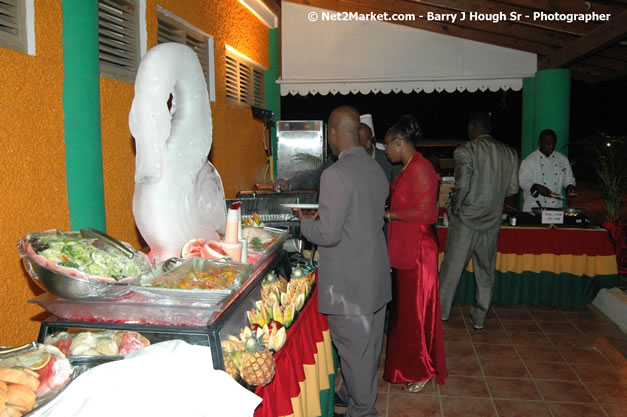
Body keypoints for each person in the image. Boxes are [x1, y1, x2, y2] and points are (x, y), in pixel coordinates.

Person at [294, 105, 390, 417]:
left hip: (350, 288)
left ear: (333, 133)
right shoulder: (376, 167)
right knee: (368, 349)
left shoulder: (335, 174)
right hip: (376, 277)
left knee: (355, 353)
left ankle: (362, 410)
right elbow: (359, 216)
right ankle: (352, 393)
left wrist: (306, 222)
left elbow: (329, 234)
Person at [382, 115, 447, 392]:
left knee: (417, 313)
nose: (386, 151)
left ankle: (422, 369)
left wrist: (390, 213)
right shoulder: (407, 168)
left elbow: (428, 213)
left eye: (388, 145)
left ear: (399, 142)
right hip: (408, 247)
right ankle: (408, 366)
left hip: (420, 249)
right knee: (405, 313)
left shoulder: (422, 168)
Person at [439, 111, 519, 330]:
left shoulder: (466, 150)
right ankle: (479, 318)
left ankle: (442, 314)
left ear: (472, 128)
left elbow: (462, 184)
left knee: (451, 271)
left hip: (466, 220)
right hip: (492, 221)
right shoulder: (509, 152)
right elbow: (512, 188)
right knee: (486, 274)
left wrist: (454, 208)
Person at [273, 114, 398, 191]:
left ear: (367, 143)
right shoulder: (338, 160)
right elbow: (316, 177)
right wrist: (289, 184)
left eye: (355, 141)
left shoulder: (389, 164)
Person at [519, 129, 576, 212]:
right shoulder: (529, 161)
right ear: (540, 143)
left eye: (554, 144)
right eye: (548, 144)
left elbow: (568, 178)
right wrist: (537, 187)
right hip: (534, 208)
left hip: (556, 208)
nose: (551, 147)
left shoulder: (562, 159)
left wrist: (570, 187)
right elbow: (523, 182)